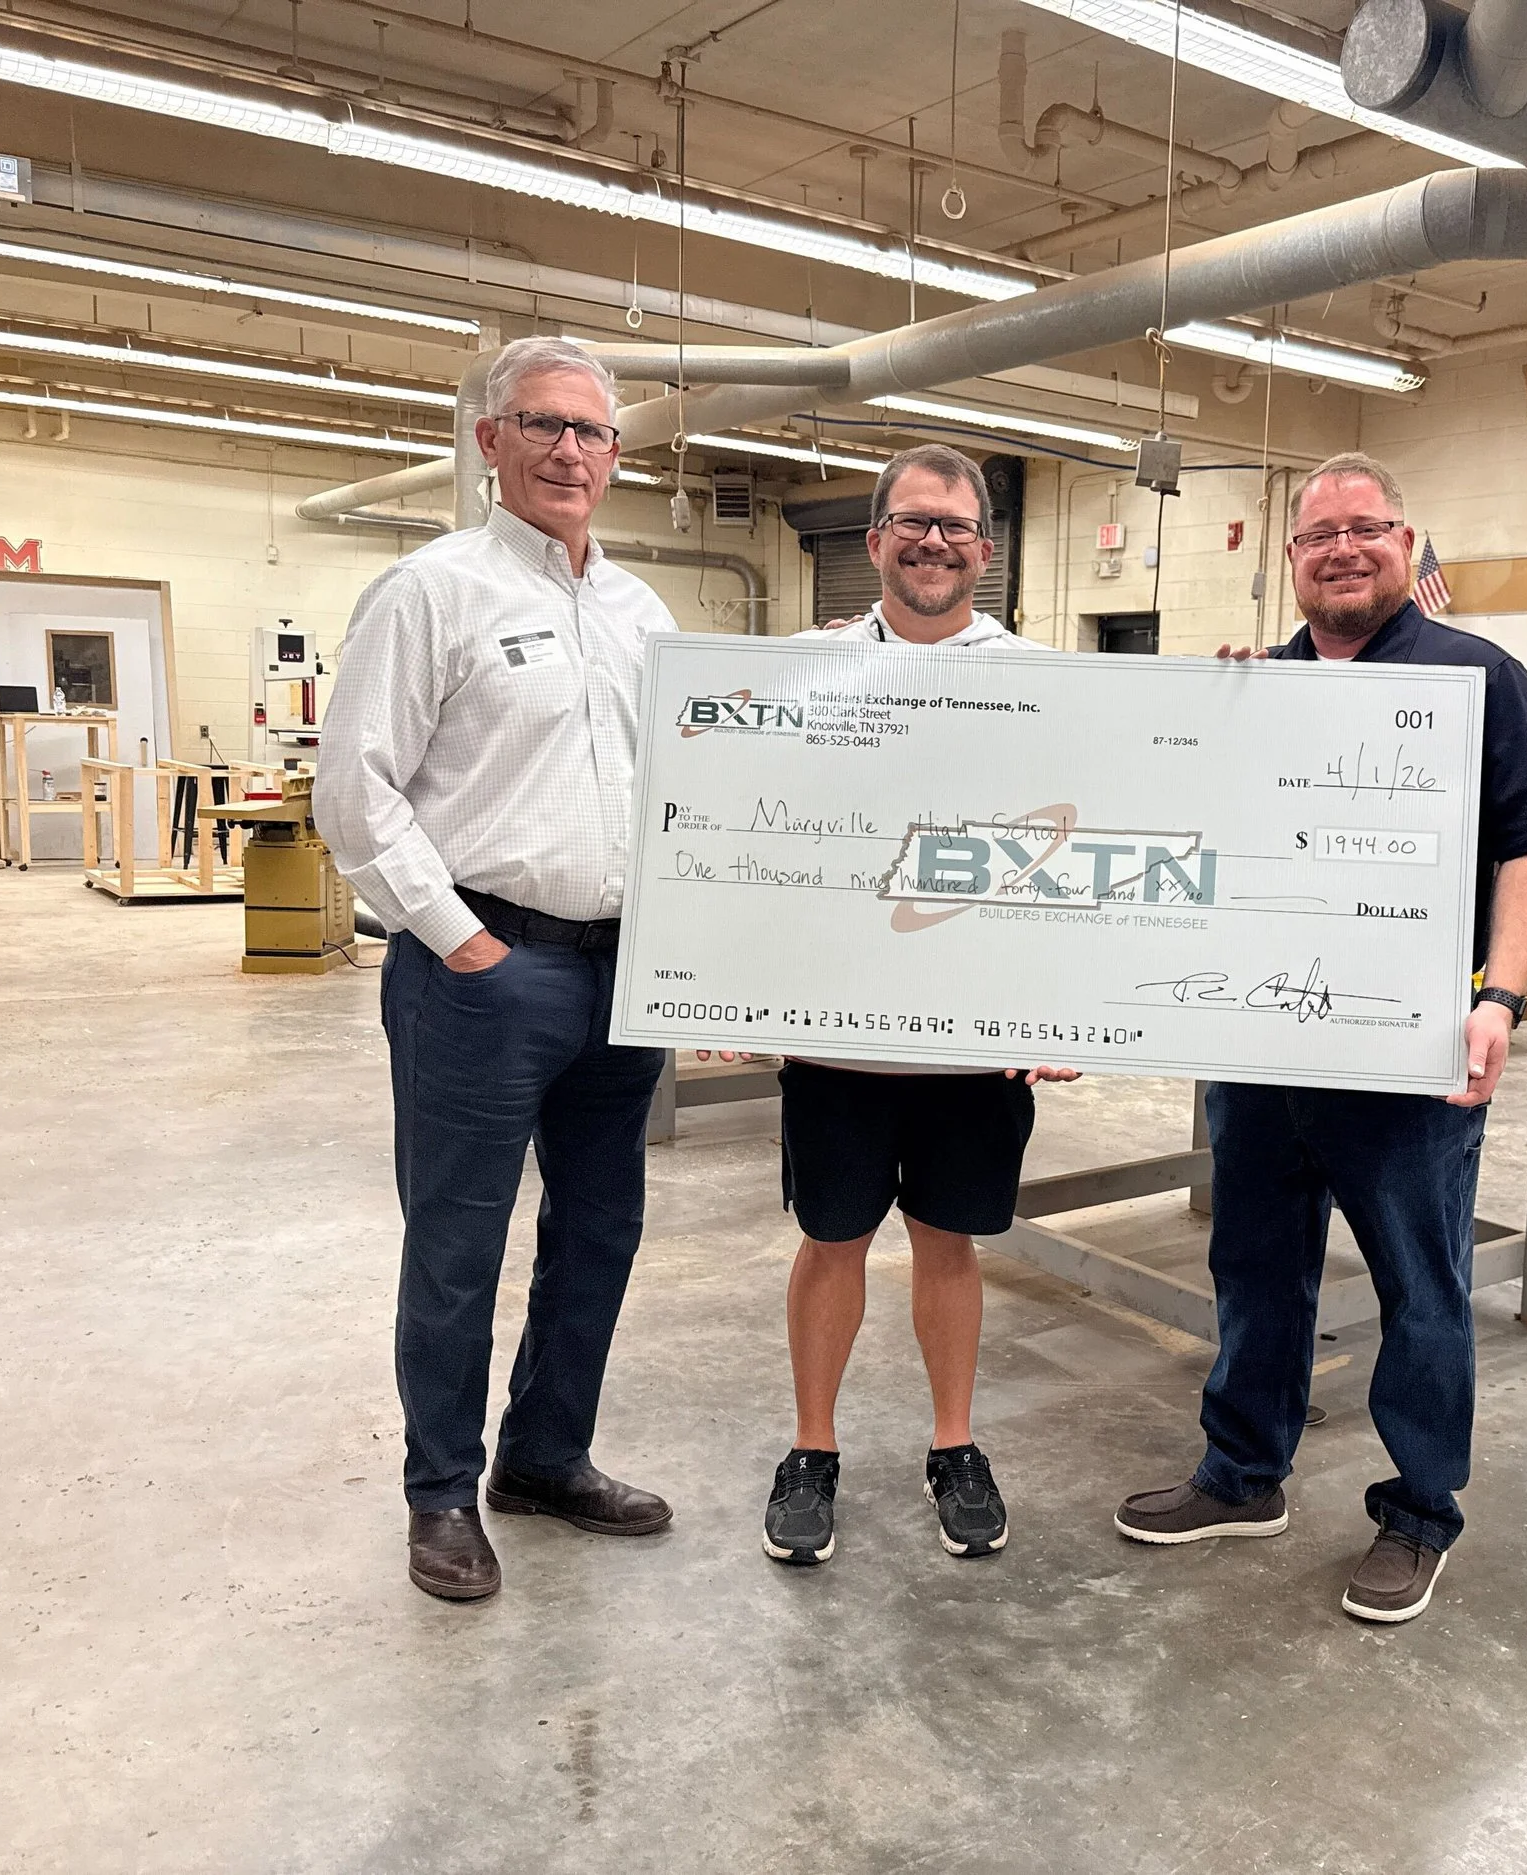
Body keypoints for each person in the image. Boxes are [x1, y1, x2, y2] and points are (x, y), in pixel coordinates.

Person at [1113, 451, 1527, 1625]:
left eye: (1364, 529)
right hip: (1261, 1048)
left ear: (1405, 544)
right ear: (1289, 560)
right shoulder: (1255, 685)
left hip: (1404, 1052)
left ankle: (1420, 1513)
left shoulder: (1475, 678)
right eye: (1318, 534)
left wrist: (1501, 999)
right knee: (1254, 1269)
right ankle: (1241, 1473)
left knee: (1420, 1288)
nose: (1342, 550)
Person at [316, 335, 681, 1603]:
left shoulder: (643, 614)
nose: (571, 450)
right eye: (544, 425)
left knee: (600, 1233)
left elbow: (682, 796)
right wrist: (457, 940)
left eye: (592, 432)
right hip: (482, 970)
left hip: (622, 975)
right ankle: (440, 1495)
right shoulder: (431, 591)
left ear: (617, 457)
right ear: (489, 444)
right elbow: (352, 791)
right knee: (459, 1243)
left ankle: (547, 1457)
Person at [762, 443, 1079, 1568]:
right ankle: (812, 1450)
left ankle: (954, 1446)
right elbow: (748, 823)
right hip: (837, 1033)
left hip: (973, 1043)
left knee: (949, 1242)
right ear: (875, 540)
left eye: (954, 526)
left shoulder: (1042, 681)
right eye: (913, 522)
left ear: (984, 551)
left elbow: (1079, 841)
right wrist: (722, 976)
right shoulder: (804, 673)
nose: (933, 541)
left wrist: (1068, 1004)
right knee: (830, 1237)